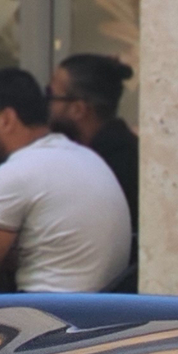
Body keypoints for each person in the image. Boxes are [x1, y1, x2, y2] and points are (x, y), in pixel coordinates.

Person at [0, 67, 130, 295]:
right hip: (96, 308)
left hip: (46, 308)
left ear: (7, 119)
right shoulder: (85, 157)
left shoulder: (18, 171)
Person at [50, 54, 141, 239]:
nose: (46, 105)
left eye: (50, 96)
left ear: (78, 109)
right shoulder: (120, 150)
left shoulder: (107, 165)